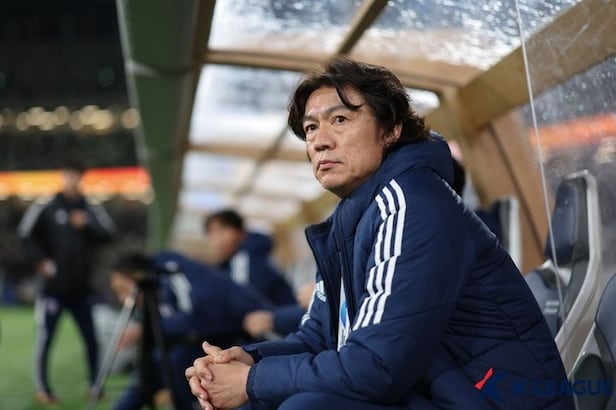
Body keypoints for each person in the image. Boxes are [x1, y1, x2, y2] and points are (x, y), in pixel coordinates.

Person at [186, 58, 573, 409]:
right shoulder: (350, 222)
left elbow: (377, 366)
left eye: (340, 120)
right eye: (310, 128)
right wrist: (248, 360)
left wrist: (252, 381)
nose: (319, 140)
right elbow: (319, 337)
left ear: (391, 129)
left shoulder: (412, 202)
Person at [17, 153, 116, 404]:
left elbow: (108, 233)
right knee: (46, 339)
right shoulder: (47, 206)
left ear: (81, 177)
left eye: (76, 175)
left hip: (82, 288)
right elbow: (25, 234)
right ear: (62, 176)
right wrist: (40, 261)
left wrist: (87, 225)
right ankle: (43, 389)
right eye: (67, 174)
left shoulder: (89, 207)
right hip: (53, 288)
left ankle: (94, 385)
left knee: (91, 339)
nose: (71, 179)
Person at [110, 251, 265, 410]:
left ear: (137, 277)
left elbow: (200, 319)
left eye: (123, 290)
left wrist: (145, 329)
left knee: (174, 360)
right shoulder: (161, 285)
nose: (123, 299)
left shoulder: (173, 274)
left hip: (247, 335)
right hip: (218, 334)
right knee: (154, 365)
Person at [204, 209, 296, 307]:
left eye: (221, 230)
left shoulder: (246, 260)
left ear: (240, 233)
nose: (216, 240)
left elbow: (242, 304)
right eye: (211, 233)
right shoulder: (228, 265)